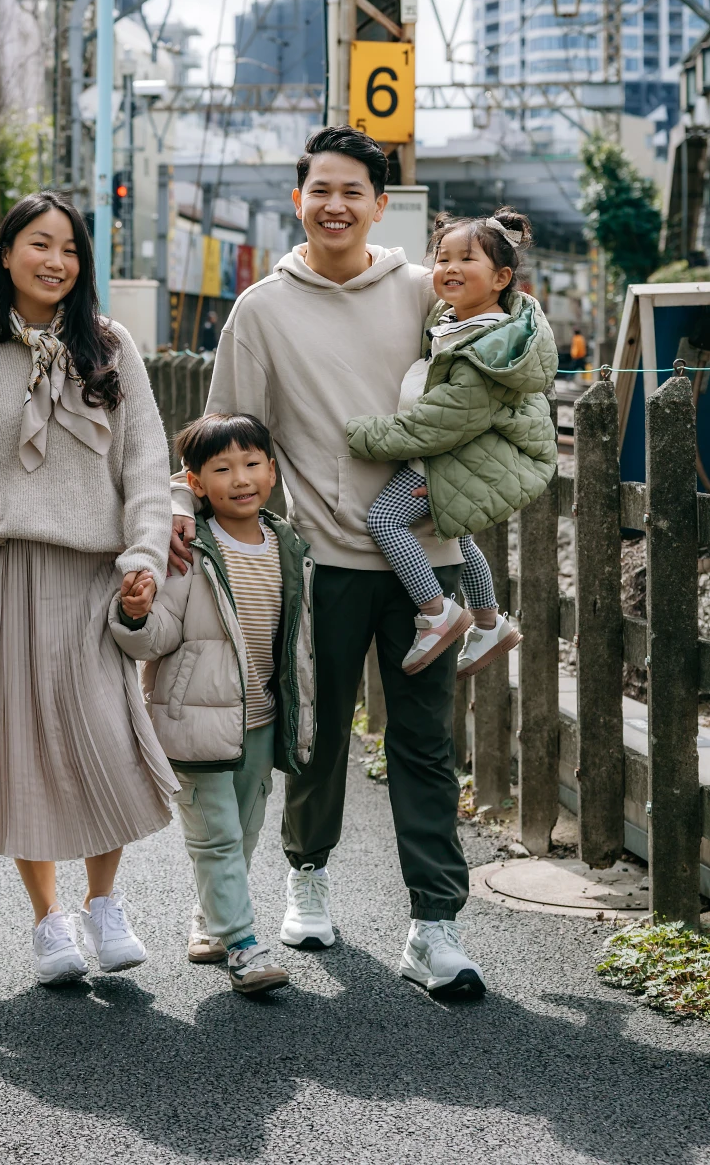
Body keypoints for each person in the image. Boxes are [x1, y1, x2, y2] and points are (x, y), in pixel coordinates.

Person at [170, 126, 486, 999]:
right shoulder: (261, 310)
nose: (335, 205)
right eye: (320, 191)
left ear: (381, 204)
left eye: (354, 190)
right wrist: (178, 519)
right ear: (298, 200)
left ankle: (434, 925)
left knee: (425, 743)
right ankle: (305, 879)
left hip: (430, 560)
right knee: (315, 734)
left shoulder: (427, 293)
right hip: (321, 563)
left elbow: (493, 373)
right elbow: (224, 438)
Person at [0, 190, 178, 987]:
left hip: (94, 579)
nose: (55, 260)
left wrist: (145, 556)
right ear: (5, 254)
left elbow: (145, 464)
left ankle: (104, 904)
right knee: (22, 749)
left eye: (68, 248)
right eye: (38, 243)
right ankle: (48, 921)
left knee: (106, 739)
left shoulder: (111, 346)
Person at [110, 412, 315, 996]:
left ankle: (210, 920)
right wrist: (135, 612)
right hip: (194, 720)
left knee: (245, 832)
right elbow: (156, 639)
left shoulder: (288, 545)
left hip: (260, 720)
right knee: (217, 837)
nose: (240, 478)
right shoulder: (187, 553)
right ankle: (245, 947)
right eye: (222, 469)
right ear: (195, 483)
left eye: (252, 464)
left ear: (273, 472)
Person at [348, 209, 558, 683]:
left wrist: (359, 434)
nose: (449, 269)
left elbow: (442, 422)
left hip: (445, 454)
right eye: (442, 259)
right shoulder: (462, 319)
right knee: (457, 535)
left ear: (502, 278)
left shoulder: (488, 343)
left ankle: (438, 612)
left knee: (385, 519)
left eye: (467, 259)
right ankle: (488, 623)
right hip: (460, 454)